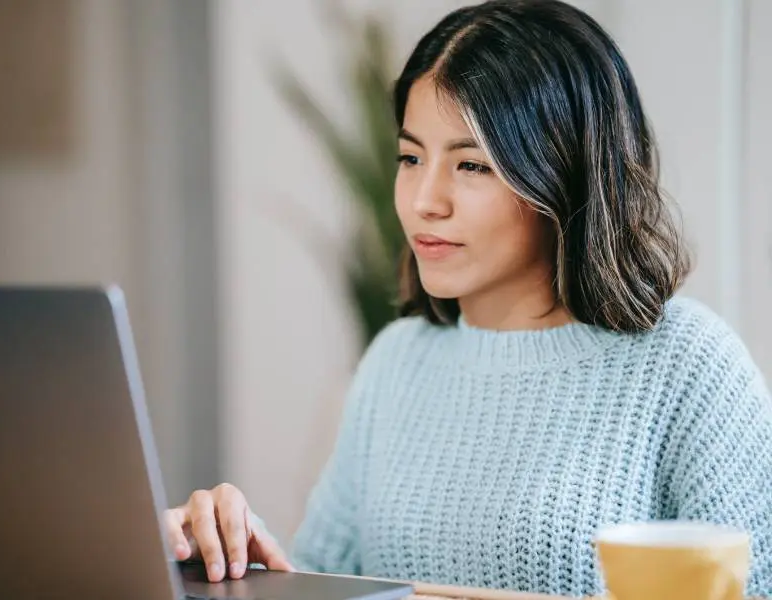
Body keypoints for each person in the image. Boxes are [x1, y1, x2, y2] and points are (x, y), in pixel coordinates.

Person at [164, 0, 772, 597]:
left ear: (563, 172)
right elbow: (325, 579)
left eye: (472, 166)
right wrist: (226, 557)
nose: (425, 200)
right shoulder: (396, 363)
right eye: (410, 157)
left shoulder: (689, 365)